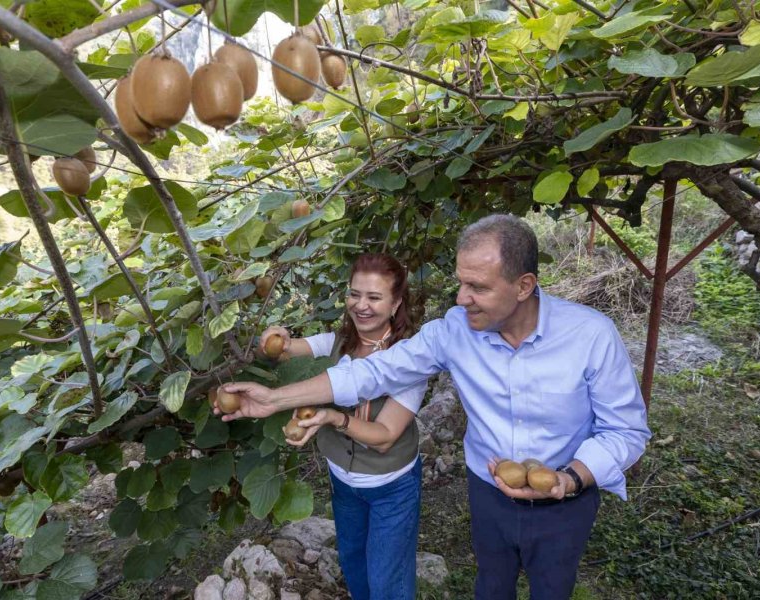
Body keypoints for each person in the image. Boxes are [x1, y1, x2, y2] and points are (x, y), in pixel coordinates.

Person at [221, 214, 651, 600]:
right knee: (492, 585)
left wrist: (569, 479)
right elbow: (370, 373)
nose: (462, 298)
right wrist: (275, 399)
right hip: (489, 492)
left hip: (567, 500)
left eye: (478, 287)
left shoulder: (591, 335)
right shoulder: (452, 332)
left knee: (553, 589)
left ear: (524, 286)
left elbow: (626, 431)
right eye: (461, 282)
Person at [261, 253, 427, 600]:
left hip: (391, 488)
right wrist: (276, 338)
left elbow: (383, 438)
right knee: (354, 566)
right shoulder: (336, 343)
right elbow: (287, 350)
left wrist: (335, 418)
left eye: (374, 297)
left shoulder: (411, 360)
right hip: (343, 483)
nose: (361, 305)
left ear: (396, 303)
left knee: (388, 583)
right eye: (355, 294)